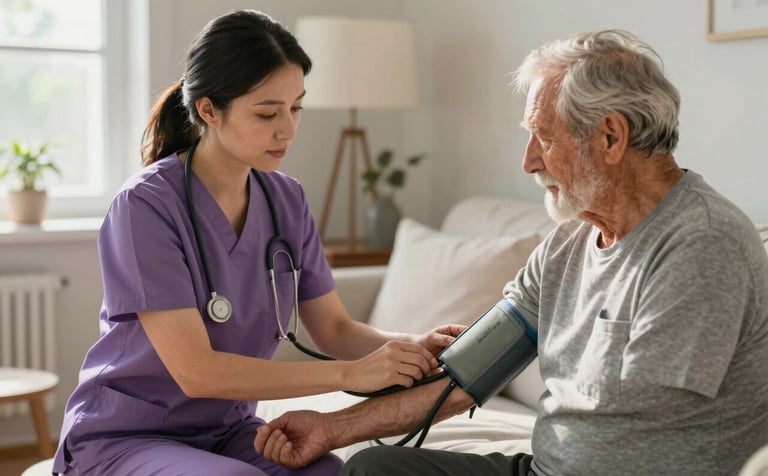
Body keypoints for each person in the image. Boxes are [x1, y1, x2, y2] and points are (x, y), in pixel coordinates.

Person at [254, 29, 768, 475]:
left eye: (543, 138)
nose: (528, 163)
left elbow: (641, 428)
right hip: (548, 468)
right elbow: (468, 374)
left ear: (611, 136)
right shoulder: (568, 242)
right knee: (373, 468)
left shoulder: (701, 243)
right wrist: (332, 427)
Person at [52, 9, 463, 476]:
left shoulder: (286, 198)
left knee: (331, 472)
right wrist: (351, 375)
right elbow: (197, 372)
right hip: (127, 436)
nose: (287, 129)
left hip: (229, 430)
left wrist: (414, 348)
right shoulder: (144, 206)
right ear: (209, 110)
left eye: (296, 107)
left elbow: (334, 330)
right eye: (267, 113)